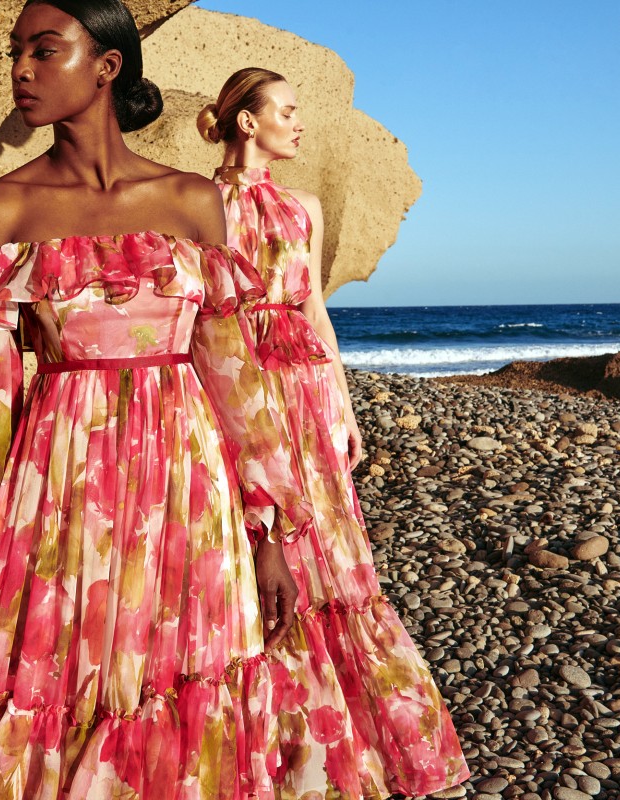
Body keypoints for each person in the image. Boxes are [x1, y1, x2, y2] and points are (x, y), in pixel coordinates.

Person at [0, 6, 313, 799]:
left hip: (191, 487)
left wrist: (269, 529)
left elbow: (234, 377)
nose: (20, 69)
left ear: (108, 66)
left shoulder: (191, 201)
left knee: (187, 681)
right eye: (15, 51)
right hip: (58, 486)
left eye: (44, 50)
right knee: (45, 685)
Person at [199, 68, 471, 797]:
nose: (299, 123)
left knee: (331, 550)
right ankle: (275, 731)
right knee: (250, 536)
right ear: (246, 122)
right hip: (236, 387)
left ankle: (354, 735)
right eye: (285, 111)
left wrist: (343, 405)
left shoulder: (306, 208)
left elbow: (316, 311)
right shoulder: (192, 205)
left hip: (307, 388)